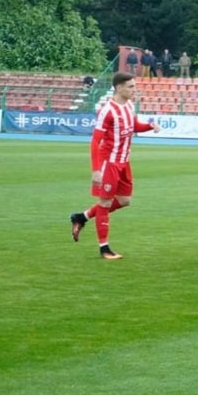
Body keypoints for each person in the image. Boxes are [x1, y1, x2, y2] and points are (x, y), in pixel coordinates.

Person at [69, 72, 161, 259]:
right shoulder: (107, 110)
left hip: (124, 161)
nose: (134, 90)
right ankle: (104, 248)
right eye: (131, 87)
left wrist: (150, 126)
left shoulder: (128, 106)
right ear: (119, 88)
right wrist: (96, 170)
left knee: (125, 200)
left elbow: (134, 126)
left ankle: (82, 217)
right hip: (108, 162)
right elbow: (95, 141)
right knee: (105, 203)